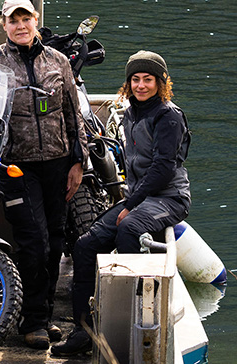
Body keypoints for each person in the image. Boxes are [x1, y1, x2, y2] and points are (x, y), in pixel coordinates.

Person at [0, 0, 88, 351]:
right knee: (34, 242)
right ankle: (32, 322)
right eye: (12, 20)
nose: (20, 25)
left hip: (59, 163)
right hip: (16, 166)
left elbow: (73, 115)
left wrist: (78, 162)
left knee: (56, 243)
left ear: (35, 21)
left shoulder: (58, 61)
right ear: (3, 25)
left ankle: (42, 317)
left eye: (25, 18)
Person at [51, 50, 192, 356]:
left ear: (160, 82)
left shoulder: (169, 116)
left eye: (148, 79)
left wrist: (130, 205)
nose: (141, 85)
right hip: (140, 196)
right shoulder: (130, 112)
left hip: (169, 196)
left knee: (128, 228)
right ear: (129, 83)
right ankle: (83, 332)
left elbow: (163, 168)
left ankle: (135, 323)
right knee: (86, 245)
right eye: (135, 79)